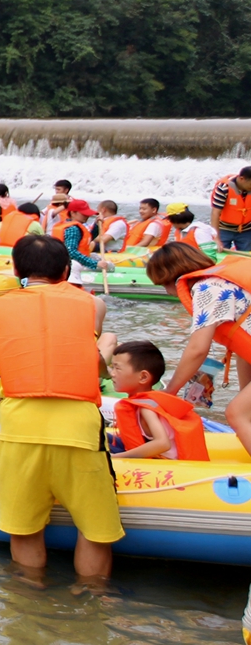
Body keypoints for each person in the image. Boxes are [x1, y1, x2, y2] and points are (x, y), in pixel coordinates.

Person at [0, 233, 121, 579]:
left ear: (16, 269)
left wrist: (6, 416)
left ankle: (29, 607)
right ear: (67, 269)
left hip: (19, 425)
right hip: (78, 427)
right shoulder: (93, 305)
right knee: (95, 531)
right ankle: (92, 601)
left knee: (24, 530)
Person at [148, 242, 251, 453]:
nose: (168, 293)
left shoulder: (206, 289)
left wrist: (170, 392)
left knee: (236, 414)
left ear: (170, 277)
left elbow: (197, 349)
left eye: (162, 285)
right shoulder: (221, 283)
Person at [106, 340, 210, 461]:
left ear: (143, 377)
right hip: (154, 457)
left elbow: (163, 443)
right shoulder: (147, 400)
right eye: (112, 367)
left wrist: (117, 457)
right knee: (99, 437)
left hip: (165, 464)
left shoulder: (146, 408)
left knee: (97, 447)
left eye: (117, 368)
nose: (112, 374)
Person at [49, 198, 112, 281]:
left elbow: (86, 239)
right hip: (70, 264)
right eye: (84, 214)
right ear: (73, 213)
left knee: (97, 257)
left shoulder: (68, 224)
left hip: (65, 262)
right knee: (110, 266)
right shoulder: (73, 229)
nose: (87, 216)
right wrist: (95, 264)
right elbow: (71, 252)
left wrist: (96, 225)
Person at [210, 165, 251, 252]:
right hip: (224, 230)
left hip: (246, 230)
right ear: (241, 179)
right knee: (220, 255)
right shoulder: (224, 188)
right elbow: (215, 213)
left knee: (246, 258)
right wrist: (216, 238)